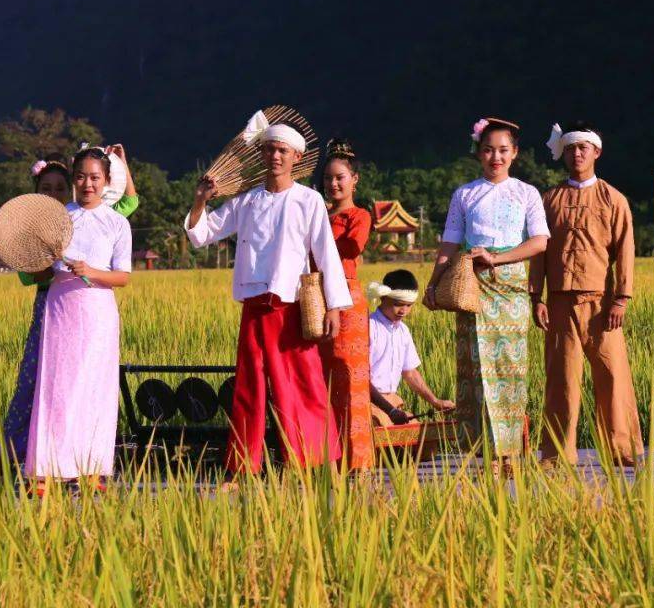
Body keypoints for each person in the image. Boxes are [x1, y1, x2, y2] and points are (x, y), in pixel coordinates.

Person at [184, 113, 351, 476]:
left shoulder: (308, 200)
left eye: (282, 151)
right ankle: (243, 467)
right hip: (254, 307)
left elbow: (326, 254)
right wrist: (200, 200)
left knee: (302, 384)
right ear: (260, 154)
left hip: (290, 308)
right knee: (250, 388)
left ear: (296, 157)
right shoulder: (246, 202)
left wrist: (335, 306)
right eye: (269, 149)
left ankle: (313, 461)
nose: (275, 156)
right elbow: (202, 234)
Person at [0, 145, 139, 469]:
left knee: (93, 388)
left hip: (98, 314)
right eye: (81, 177)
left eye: (95, 178)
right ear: (75, 179)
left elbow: (123, 274)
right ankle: (39, 465)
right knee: (53, 388)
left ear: (106, 181)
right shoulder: (56, 221)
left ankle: (90, 466)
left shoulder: (115, 222)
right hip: (57, 311)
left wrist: (91, 272)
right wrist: (10, 254)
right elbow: (37, 272)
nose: (88, 184)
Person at [422, 118, 549, 474]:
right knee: (476, 370)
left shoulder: (526, 193)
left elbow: (539, 242)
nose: (496, 157)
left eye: (503, 150)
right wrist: (433, 284)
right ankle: (486, 454)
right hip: (472, 285)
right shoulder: (464, 194)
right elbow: (449, 244)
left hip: (510, 286)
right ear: (478, 153)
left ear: (515, 153)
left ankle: (509, 453)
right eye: (489, 150)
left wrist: (498, 259)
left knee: (509, 369)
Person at [528, 121, 643, 467]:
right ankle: (557, 454)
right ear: (563, 153)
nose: (577, 154)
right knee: (561, 379)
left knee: (613, 375)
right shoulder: (549, 200)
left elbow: (625, 251)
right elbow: (539, 252)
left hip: (602, 303)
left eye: (583, 148)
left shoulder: (613, 199)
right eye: (571, 149)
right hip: (559, 302)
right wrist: (536, 297)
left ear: (597, 152)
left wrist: (621, 298)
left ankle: (622, 449)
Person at [319, 138, 376, 471]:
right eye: (328, 178)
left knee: (351, 379)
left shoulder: (359, 216)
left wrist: (321, 239)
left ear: (354, 180)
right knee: (322, 380)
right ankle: (328, 457)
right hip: (315, 299)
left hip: (347, 299)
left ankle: (359, 461)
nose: (333, 184)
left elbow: (353, 247)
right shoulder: (318, 215)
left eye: (340, 177)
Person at [368, 269, 455, 427]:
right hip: (368, 404)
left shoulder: (403, 331)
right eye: (398, 304)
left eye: (409, 305)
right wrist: (391, 411)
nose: (404, 311)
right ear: (383, 297)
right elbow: (360, 379)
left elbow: (410, 372)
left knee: (421, 434)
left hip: (392, 402)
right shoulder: (369, 327)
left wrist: (435, 401)